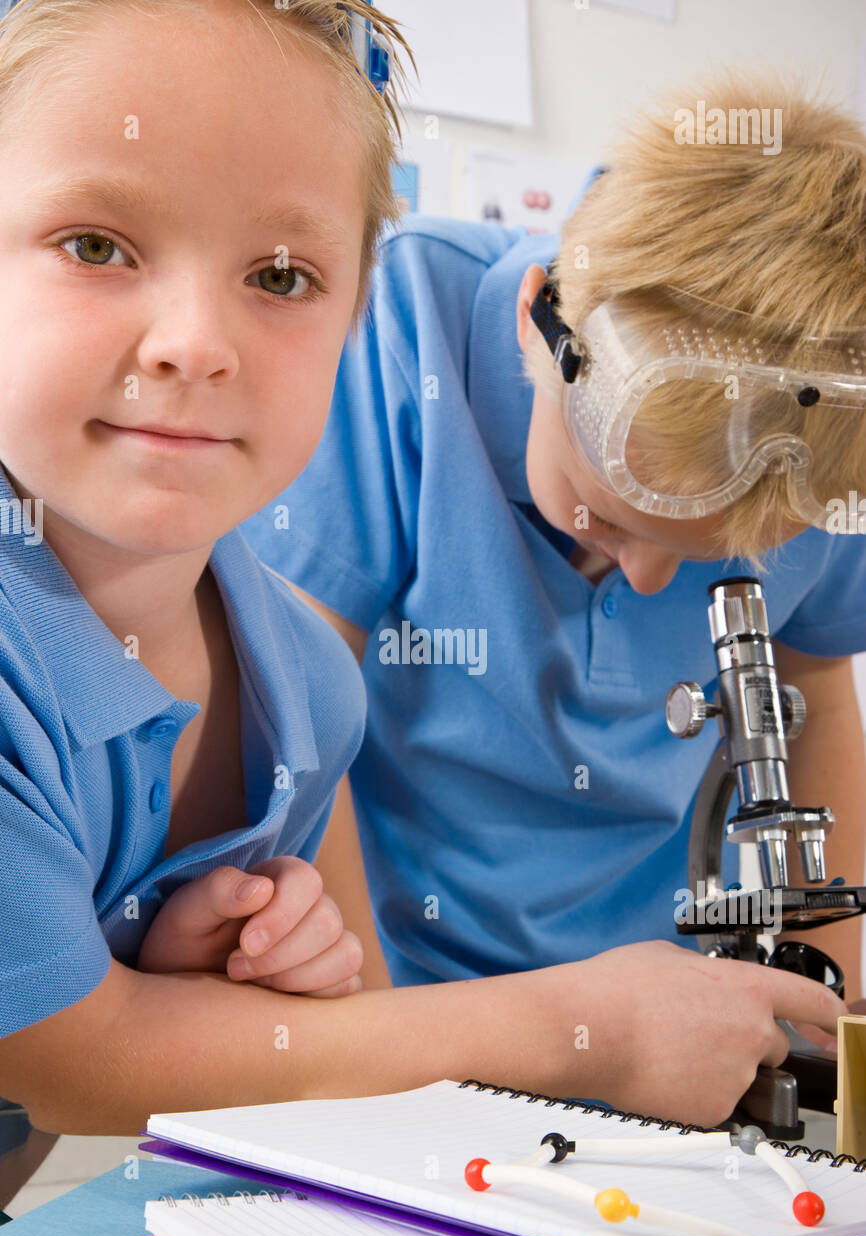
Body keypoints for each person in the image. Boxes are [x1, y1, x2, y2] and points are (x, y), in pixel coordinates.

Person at [5, 0, 820, 1149]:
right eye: (95, 245)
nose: (196, 341)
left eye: (282, 276)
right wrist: (578, 1029)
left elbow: (267, 1046)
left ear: (350, 310)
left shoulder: (302, 687)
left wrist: (216, 971)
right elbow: (66, 1063)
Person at [239, 74, 866, 1093]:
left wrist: (833, 1002)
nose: (652, 574)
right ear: (540, 324)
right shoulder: (400, 324)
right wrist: (370, 1051)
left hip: (667, 1031)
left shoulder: (825, 437)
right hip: (400, 1005)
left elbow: (815, 704)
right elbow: (293, 723)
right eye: (606, 517)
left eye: (710, 556)